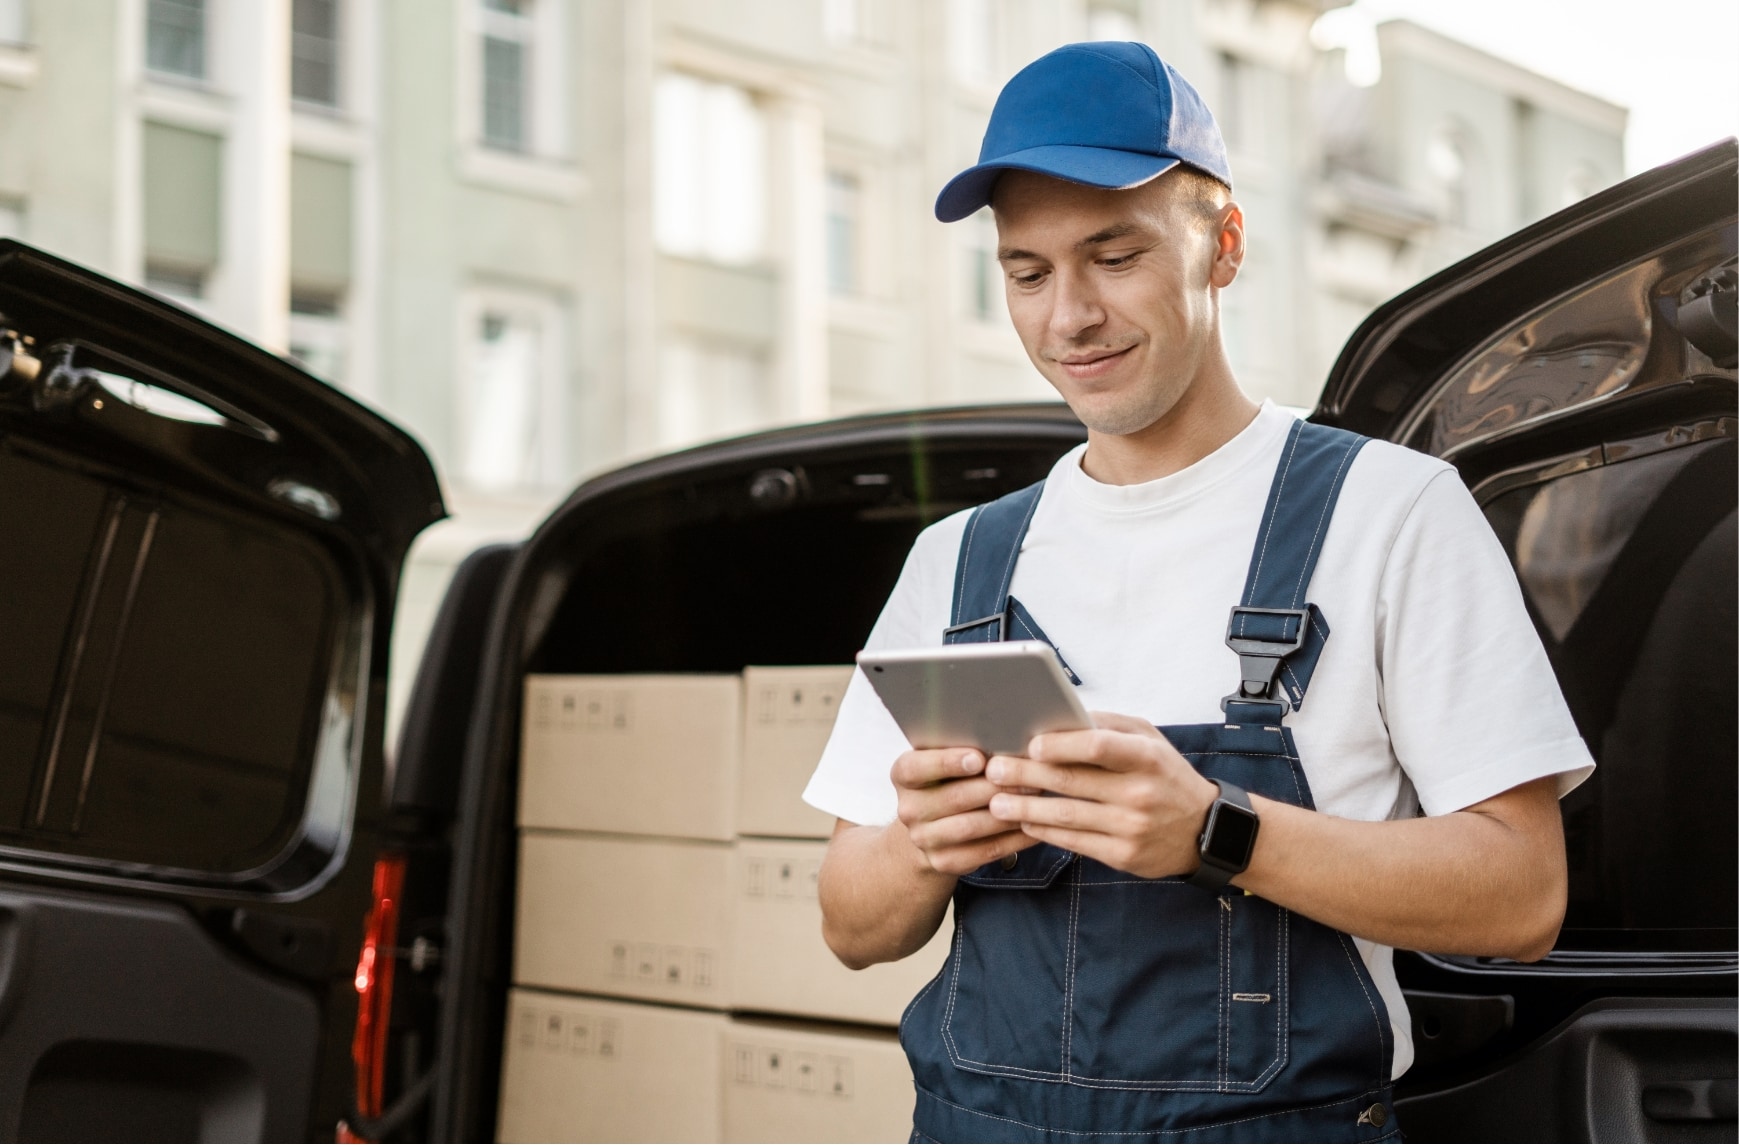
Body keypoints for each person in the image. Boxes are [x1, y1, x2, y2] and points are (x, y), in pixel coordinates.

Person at [801, 40, 1593, 1144]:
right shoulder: (957, 559)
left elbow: (1520, 896)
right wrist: (926, 841)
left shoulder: (1390, 512)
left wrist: (1216, 831)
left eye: (1113, 256)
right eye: (1027, 273)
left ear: (1222, 245)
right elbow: (851, 925)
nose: (1068, 316)